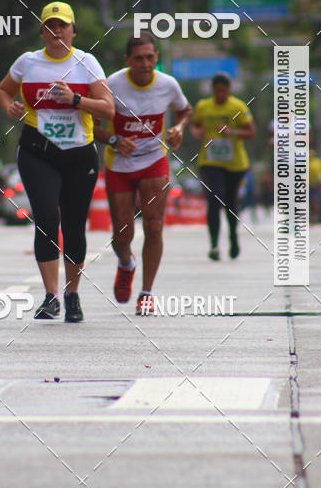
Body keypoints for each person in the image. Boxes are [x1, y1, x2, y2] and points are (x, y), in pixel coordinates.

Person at [0, 2, 114, 323]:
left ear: (74, 30)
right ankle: (50, 296)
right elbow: (3, 90)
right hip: (38, 151)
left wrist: (76, 99)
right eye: (50, 25)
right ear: (42, 32)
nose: (56, 31)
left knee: (74, 225)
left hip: (78, 153)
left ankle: (72, 295)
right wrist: (9, 106)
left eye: (62, 25)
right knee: (47, 219)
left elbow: (108, 109)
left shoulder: (86, 63)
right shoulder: (28, 62)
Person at [94, 32, 192, 315]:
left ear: (157, 58)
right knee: (122, 234)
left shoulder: (167, 84)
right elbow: (92, 124)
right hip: (119, 165)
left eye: (150, 57)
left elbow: (185, 110)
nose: (146, 64)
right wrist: (113, 140)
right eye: (139, 59)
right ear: (128, 60)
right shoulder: (111, 85)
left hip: (154, 160)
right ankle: (126, 263)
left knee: (154, 225)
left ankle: (146, 293)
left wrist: (179, 129)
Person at [191, 73, 255, 260]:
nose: (220, 94)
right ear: (212, 90)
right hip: (209, 162)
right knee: (214, 199)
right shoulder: (203, 106)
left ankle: (233, 237)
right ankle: (214, 245)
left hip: (235, 163)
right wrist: (197, 131)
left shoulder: (238, 107)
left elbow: (251, 132)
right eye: (217, 91)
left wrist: (232, 131)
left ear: (229, 90)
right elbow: (195, 126)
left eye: (223, 91)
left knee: (230, 203)